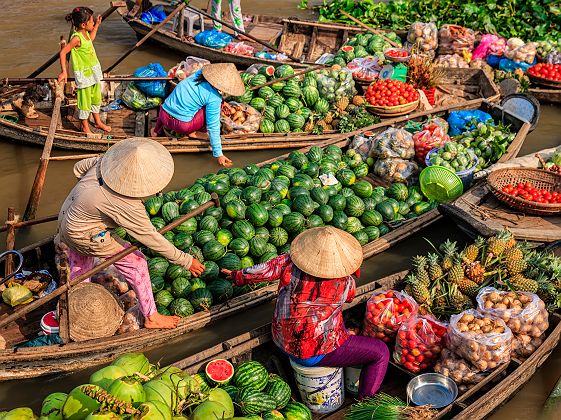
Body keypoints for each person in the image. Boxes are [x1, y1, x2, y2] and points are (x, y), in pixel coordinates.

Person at [222, 226, 390, 399]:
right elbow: (348, 298)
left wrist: (237, 276)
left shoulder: (288, 261)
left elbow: (264, 270)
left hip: (281, 339)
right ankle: (366, 404)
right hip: (312, 353)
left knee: (343, 328)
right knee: (381, 352)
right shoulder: (346, 284)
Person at [56, 138, 205, 329]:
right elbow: (150, 237)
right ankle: (151, 317)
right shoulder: (127, 205)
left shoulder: (102, 162)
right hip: (85, 234)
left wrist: (92, 199)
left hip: (66, 217)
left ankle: (77, 304)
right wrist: (185, 260)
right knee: (137, 263)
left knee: (82, 262)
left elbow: (78, 168)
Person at [150, 63, 244, 168]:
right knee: (210, 112)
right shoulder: (214, 98)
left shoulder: (197, 75)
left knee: (176, 103)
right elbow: (213, 126)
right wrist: (219, 154)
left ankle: (155, 131)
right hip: (182, 126)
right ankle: (196, 133)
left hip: (163, 114)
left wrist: (222, 102)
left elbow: (199, 92)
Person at [58, 7, 111, 134]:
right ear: (83, 24)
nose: (92, 23)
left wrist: (97, 25)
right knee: (84, 102)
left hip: (93, 73)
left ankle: (97, 122)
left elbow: (91, 38)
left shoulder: (85, 34)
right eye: (91, 21)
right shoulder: (76, 38)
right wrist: (64, 71)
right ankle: (85, 127)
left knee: (95, 99)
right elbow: (63, 52)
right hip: (84, 76)